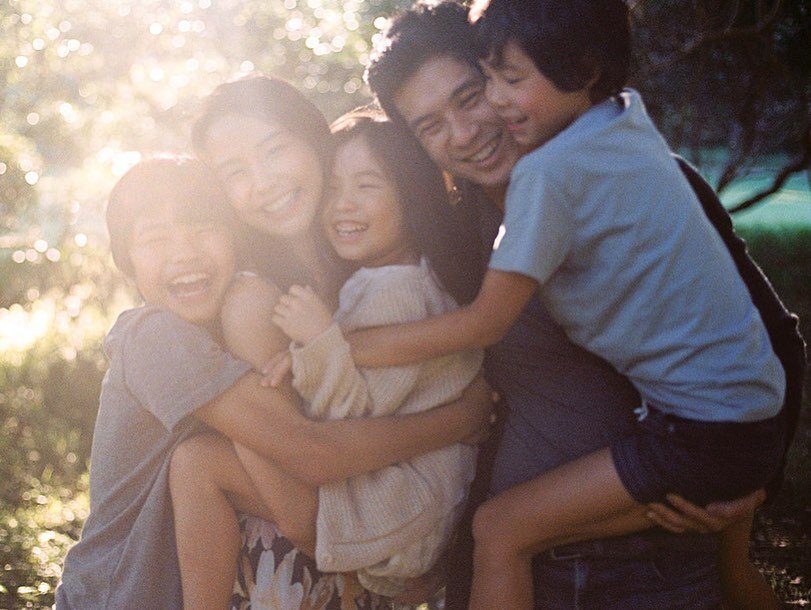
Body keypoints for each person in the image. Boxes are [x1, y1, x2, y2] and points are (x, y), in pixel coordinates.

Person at [362, 1, 805, 608]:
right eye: (430, 126)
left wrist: (753, 482)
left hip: (652, 562)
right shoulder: (446, 238)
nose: (463, 134)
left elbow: (770, 336)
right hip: (527, 564)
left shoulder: (636, 179)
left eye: (471, 97)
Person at [54, 155, 490, 610]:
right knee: (195, 460)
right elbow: (312, 454)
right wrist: (460, 419)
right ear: (127, 261)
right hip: (118, 598)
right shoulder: (155, 338)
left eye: (204, 229)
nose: (184, 252)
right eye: (155, 239)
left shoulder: (231, 329)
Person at [175, 109, 482, 602]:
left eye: (367, 186)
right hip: (405, 510)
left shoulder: (393, 292)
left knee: (198, 462)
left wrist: (319, 344)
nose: (344, 205)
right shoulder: (394, 278)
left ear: (412, 192)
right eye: (336, 188)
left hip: (391, 515)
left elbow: (339, 430)